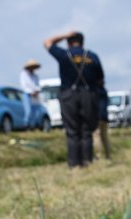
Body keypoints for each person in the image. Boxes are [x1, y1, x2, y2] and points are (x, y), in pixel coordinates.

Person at [44, 31, 104, 168]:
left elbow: (47, 42)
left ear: (68, 42)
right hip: (88, 95)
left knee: (72, 131)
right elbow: (100, 80)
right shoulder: (92, 56)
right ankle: (87, 162)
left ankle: (73, 164)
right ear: (83, 42)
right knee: (87, 131)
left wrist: (65, 34)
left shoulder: (64, 54)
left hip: (69, 95)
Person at [19, 59, 42, 129]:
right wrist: (31, 92)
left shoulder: (36, 76)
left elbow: (38, 85)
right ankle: (26, 125)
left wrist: (36, 91)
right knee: (28, 111)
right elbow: (23, 86)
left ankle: (35, 126)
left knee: (36, 111)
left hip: (35, 95)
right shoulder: (23, 75)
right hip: (27, 95)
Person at [93, 84, 111, 160]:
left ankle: (98, 156)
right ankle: (108, 155)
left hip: (97, 116)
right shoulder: (104, 91)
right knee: (105, 137)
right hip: (105, 116)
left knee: (96, 136)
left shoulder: (94, 91)